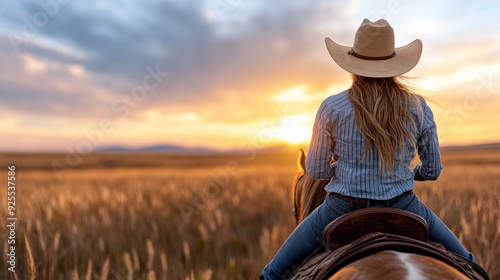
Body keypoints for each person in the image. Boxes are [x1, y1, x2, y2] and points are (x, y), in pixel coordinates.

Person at [261, 18, 475, 279]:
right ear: (394, 64)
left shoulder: (332, 107)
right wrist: (411, 173)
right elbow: (432, 171)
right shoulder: (418, 108)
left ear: (353, 65)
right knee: (469, 264)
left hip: (341, 208)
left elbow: (316, 171)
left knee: (273, 273)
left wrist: (347, 172)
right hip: (404, 206)